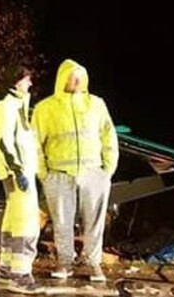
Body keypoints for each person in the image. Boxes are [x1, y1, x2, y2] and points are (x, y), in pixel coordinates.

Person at [33, 59, 118, 282]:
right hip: (59, 174)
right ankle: (65, 262)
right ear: (63, 78)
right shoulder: (45, 108)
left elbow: (109, 136)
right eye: (72, 75)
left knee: (94, 221)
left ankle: (93, 264)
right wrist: (43, 173)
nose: (77, 80)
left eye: (80, 75)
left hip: (93, 172)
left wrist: (108, 169)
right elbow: (35, 143)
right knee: (62, 221)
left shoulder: (96, 104)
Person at [0, 64, 40, 291]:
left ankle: (6, 269)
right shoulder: (7, 106)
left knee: (13, 220)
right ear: (16, 81)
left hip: (18, 170)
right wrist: (18, 171)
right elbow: (4, 141)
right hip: (18, 172)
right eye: (27, 79)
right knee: (26, 222)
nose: (30, 84)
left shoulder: (11, 104)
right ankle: (21, 274)